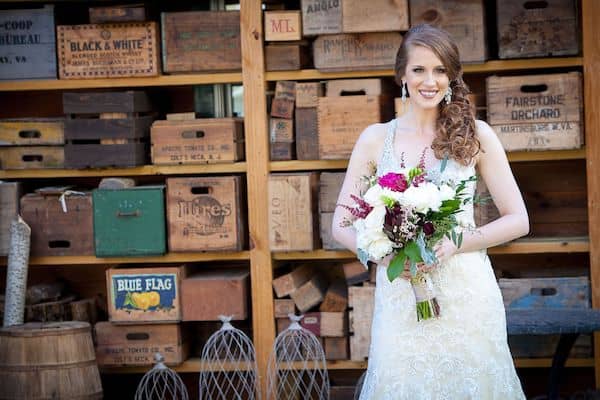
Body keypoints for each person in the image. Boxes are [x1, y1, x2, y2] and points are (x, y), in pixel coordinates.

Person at [331, 24, 529, 399]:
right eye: (419, 69)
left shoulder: (477, 134)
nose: (429, 80)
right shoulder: (375, 139)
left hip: (466, 294)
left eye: (439, 70)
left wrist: (458, 242)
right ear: (402, 75)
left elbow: (519, 219)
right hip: (401, 297)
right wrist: (384, 254)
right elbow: (340, 224)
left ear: (451, 76)